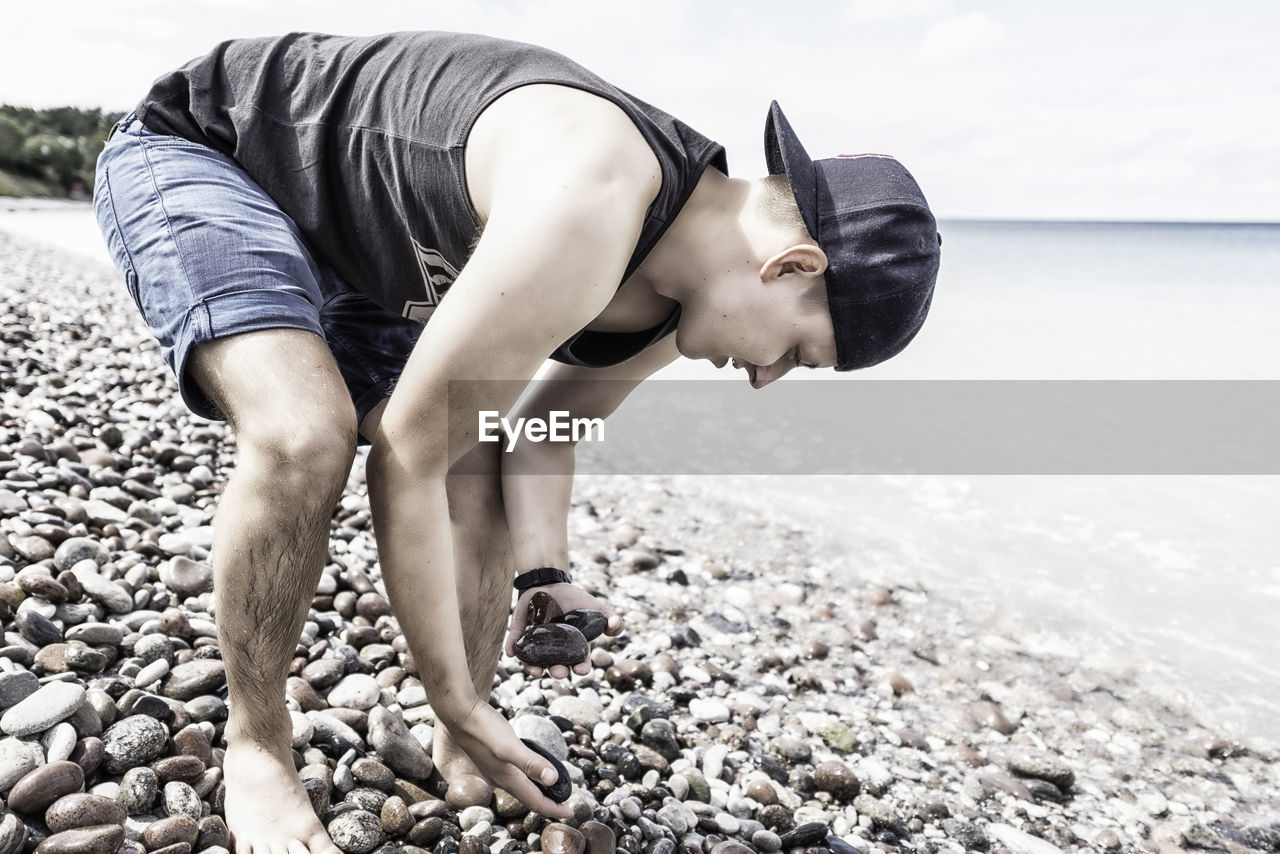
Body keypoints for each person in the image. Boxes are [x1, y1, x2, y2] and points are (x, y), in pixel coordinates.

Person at [93, 30, 940, 854]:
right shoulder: (591, 198)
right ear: (792, 265)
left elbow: (536, 434)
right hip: (213, 153)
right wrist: (453, 693)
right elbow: (408, 457)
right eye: (798, 352)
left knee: (472, 448)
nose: (766, 378)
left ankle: (466, 743)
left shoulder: (677, 301)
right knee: (305, 435)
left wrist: (546, 574)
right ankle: (257, 746)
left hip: (376, 260)